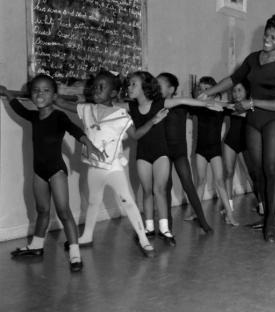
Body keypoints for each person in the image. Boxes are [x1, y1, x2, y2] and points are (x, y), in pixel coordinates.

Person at [198, 13, 275, 242]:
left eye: (274, 36)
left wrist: (253, 102)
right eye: (266, 33)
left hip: (274, 120)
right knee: (258, 170)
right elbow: (233, 79)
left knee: (271, 169)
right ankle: (266, 213)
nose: (267, 38)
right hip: (254, 121)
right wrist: (208, 93)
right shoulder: (253, 59)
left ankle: (271, 221)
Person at [0, 74, 104, 272]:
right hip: (39, 171)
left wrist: (88, 144)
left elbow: (74, 130)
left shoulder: (59, 116)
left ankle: (75, 253)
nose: (40, 94)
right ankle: (37, 246)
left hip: (56, 171)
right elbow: (19, 109)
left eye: (46, 90)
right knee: (42, 211)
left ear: (54, 95)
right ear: (31, 94)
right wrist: (6, 93)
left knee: (64, 212)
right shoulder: (33, 116)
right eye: (36, 90)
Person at [55, 71, 161, 258]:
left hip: (114, 168)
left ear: (113, 94)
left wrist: (152, 121)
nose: (96, 90)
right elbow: (62, 104)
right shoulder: (87, 109)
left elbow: (135, 136)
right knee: (93, 201)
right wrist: (51, 95)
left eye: (101, 87)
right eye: (95, 86)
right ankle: (87, 236)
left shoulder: (122, 116)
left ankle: (144, 240)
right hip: (94, 168)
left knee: (128, 201)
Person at [157, 72, 214, 235]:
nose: (155, 88)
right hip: (163, 154)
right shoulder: (158, 104)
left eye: (159, 85)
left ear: (171, 89)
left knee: (189, 185)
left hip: (179, 153)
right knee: (165, 188)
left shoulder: (183, 105)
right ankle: (167, 225)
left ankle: (203, 221)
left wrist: (208, 100)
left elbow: (200, 106)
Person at [126, 71, 175, 245]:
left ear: (144, 87)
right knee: (147, 191)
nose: (129, 87)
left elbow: (184, 100)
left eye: (134, 84)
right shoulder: (130, 107)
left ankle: (165, 229)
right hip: (143, 154)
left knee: (159, 190)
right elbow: (105, 106)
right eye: (129, 84)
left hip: (161, 153)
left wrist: (207, 103)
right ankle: (148, 227)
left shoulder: (159, 103)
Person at [189, 76, 238, 226]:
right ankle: (194, 213)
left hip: (215, 151)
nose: (203, 92)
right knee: (201, 182)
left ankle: (230, 214)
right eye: (201, 89)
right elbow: (185, 104)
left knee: (220, 182)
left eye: (207, 89)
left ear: (215, 90)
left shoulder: (221, 108)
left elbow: (236, 108)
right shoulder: (198, 107)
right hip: (200, 151)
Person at [222, 81, 262, 215]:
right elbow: (218, 107)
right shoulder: (230, 107)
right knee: (228, 173)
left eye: (239, 90)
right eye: (234, 91)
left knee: (253, 175)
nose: (236, 93)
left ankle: (262, 204)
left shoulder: (252, 107)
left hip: (246, 144)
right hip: (230, 142)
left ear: (246, 92)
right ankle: (229, 206)